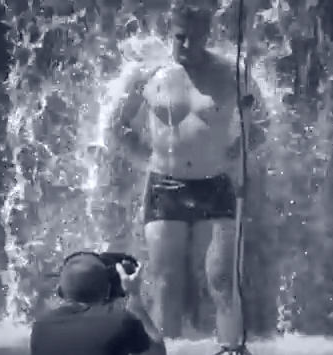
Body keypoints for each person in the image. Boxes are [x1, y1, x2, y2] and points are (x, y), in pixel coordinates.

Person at [109, 1, 269, 348]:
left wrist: (236, 154)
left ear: (209, 34)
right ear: (170, 31)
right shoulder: (147, 74)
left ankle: (231, 350)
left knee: (223, 280)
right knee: (166, 283)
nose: (187, 46)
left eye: (196, 38)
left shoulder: (232, 73)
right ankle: (161, 351)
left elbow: (263, 124)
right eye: (181, 38)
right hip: (164, 186)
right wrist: (146, 158)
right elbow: (118, 127)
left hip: (215, 185)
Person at [30, 253, 167, 355]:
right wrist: (134, 294)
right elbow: (158, 353)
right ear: (107, 290)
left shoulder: (40, 328)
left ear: (60, 291)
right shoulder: (120, 322)